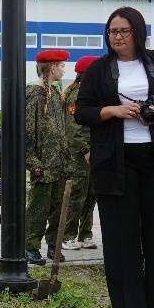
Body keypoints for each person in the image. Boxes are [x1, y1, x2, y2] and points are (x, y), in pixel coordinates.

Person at [75, 7, 154, 308]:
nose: (118, 37)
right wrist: (113, 111)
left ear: (138, 32)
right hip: (115, 160)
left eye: (124, 31)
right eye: (113, 32)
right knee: (120, 233)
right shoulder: (99, 69)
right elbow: (82, 112)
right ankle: (126, 306)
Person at [24, 49, 71, 264]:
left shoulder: (54, 94)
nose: (64, 69)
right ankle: (30, 246)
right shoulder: (35, 93)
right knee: (38, 207)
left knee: (58, 208)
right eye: (61, 65)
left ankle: (54, 245)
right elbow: (27, 130)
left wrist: (66, 158)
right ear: (52, 67)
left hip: (59, 162)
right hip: (42, 163)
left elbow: (61, 129)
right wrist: (32, 161)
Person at [60, 56, 98, 251]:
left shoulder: (90, 93)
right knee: (77, 195)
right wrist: (85, 149)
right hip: (79, 153)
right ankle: (68, 236)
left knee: (91, 194)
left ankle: (85, 234)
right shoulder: (76, 95)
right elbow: (73, 128)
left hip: (92, 151)